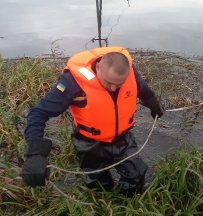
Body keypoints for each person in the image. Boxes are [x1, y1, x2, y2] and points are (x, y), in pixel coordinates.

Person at [22, 46, 164, 194]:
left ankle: (127, 201)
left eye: (119, 84)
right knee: (99, 185)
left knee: (137, 174)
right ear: (98, 67)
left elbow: (144, 91)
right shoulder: (72, 82)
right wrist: (35, 153)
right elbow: (39, 113)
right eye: (109, 82)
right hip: (89, 144)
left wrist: (153, 103)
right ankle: (103, 205)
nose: (113, 88)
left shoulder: (130, 73)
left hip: (122, 138)